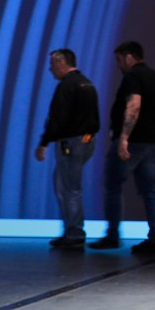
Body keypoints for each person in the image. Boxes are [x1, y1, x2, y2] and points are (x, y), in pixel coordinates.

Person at [89, 41, 155, 255]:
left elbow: (134, 105)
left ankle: (112, 236)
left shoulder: (132, 77)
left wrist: (124, 138)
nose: (118, 65)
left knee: (113, 185)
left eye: (119, 60)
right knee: (151, 192)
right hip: (153, 143)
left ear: (128, 57)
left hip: (133, 142)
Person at [35, 49, 101, 249]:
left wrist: (44, 143)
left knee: (69, 188)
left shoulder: (66, 86)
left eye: (52, 64)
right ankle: (73, 230)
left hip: (70, 143)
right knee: (67, 185)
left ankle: (74, 232)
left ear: (61, 62)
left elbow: (57, 118)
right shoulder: (87, 83)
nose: (50, 69)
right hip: (87, 141)